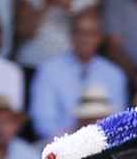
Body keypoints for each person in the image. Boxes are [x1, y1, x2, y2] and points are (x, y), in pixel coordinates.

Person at [29, 8, 127, 142]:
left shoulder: (114, 74)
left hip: (103, 145)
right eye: (80, 32)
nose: (85, 38)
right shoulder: (49, 70)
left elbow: (118, 121)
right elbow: (43, 121)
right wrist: (73, 141)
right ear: (71, 35)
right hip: (59, 145)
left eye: (90, 33)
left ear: (100, 37)